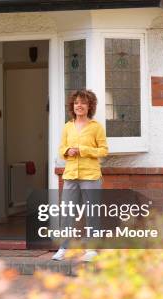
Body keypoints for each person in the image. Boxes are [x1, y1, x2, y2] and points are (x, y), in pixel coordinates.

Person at [52, 89, 108, 262]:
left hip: (91, 175)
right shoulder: (67, 127)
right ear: (72, 106)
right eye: (76, 103)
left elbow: (104, 150)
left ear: (89, 106)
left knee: (92, 213)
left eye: (83, 103)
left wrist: (83, 150)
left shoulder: (96, 127)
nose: (79, 106)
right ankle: (63, 248)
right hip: (70, 175)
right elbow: (61, 150)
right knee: (67, 212)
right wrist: (68, 150)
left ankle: (91, 250)